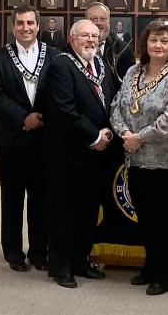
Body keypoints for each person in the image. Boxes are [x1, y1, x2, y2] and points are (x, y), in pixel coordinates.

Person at [110, 21, 168, 295]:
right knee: (145, 218)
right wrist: (124, 133)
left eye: (164, 42)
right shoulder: (134, 71)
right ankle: (149, 267)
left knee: (166, 221)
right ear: (145, 44)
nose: (157, 46)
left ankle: (164, 275)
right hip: (137, 160)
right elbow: (116, 106)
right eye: (153, 40)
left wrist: (139, 138)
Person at [42, 19, 115, 288]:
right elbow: (64, 109)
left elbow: (110, 101)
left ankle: (80, 261)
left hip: (95, 156)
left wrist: (108, 131)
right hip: (66, 155)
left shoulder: (101, 65)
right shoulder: (61, 65)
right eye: (85, 35)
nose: (91, 40)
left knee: (87, 211)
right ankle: (60, 267)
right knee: (63, 213)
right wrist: (95, 135)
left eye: (95, 36)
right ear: (72, 39)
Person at [0, 6, 53, 272]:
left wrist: (39, 117)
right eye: (20, 23)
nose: (25, 28)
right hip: (11, 138)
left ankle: (39, 251)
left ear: (38, 26)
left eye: (30, 23)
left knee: (41, 198)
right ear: (12, 27)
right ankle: (13, 252)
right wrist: (22, 118)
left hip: (43, 138)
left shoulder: (54, 55)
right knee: (12, 198)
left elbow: (58, 92)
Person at [86, 3, 135, 89]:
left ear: (109, 22)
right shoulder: (72, 49)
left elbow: (130, 85)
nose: (98, 23)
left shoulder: (124, 49)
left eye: (103, 19)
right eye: (94, 19)